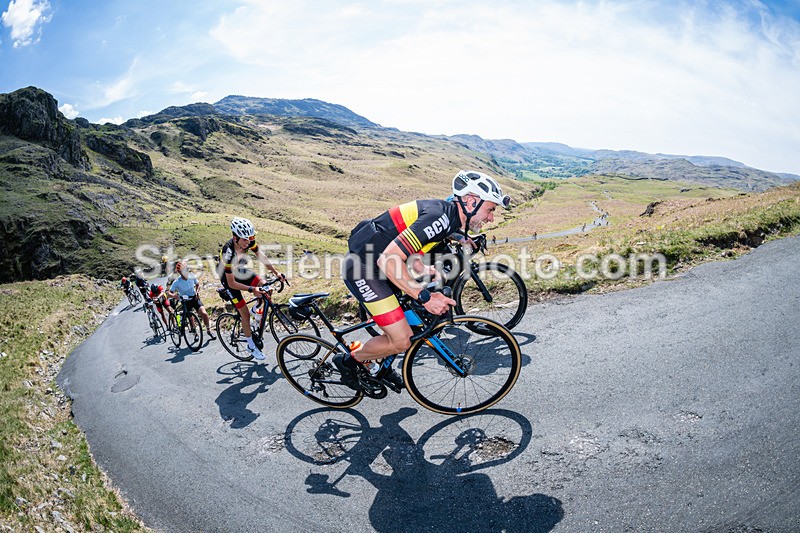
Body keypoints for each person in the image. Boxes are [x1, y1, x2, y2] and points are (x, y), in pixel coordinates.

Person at [336, 169, 510, 390]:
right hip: (364, 269)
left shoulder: (450, 219)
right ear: (471, 201)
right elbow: (390, 258)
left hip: (380, 265)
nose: (491, 217)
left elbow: (410, 241)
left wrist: (419, 265)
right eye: (490, 209)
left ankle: (383, 365)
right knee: (402, 339)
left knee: (410, 318)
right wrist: (425, 297)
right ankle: (347, 362)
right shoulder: (439, 217)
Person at [217, 216, 287, 361]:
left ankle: (257, 308)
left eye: (250, 239)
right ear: (235, 237)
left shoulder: (249, 241)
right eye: (244, 240)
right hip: (228, 279)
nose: (248, 243)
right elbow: (232, 283)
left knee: (266, 288)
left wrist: (276, 273)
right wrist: (252, 290)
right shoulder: (228, 253)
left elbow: (261, 256)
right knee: (245, 315)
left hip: (241, 270)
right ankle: (250, 345)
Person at [169, 261, 216, 340]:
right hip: (185, 302)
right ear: (179, 272)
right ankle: (195, 333)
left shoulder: (192, 276)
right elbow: (169, 293)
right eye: (182, 270)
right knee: (190, 318)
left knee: (204, 313)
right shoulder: (177, 282)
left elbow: (197, 284)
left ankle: (209, 330)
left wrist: (197, 292)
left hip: (194, 298)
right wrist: (174, 295)